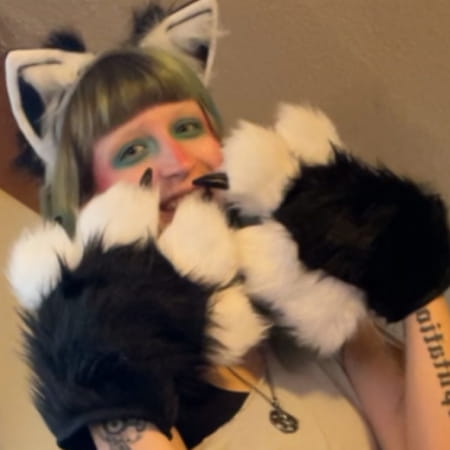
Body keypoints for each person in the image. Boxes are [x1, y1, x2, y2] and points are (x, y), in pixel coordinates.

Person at [8, 43, 449, 450]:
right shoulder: (117, 371)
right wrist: (103, 374)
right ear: (88, 202)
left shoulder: (316, 305)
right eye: (133, 150)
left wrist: (411, 270)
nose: (178, 163)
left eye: (186, 128)